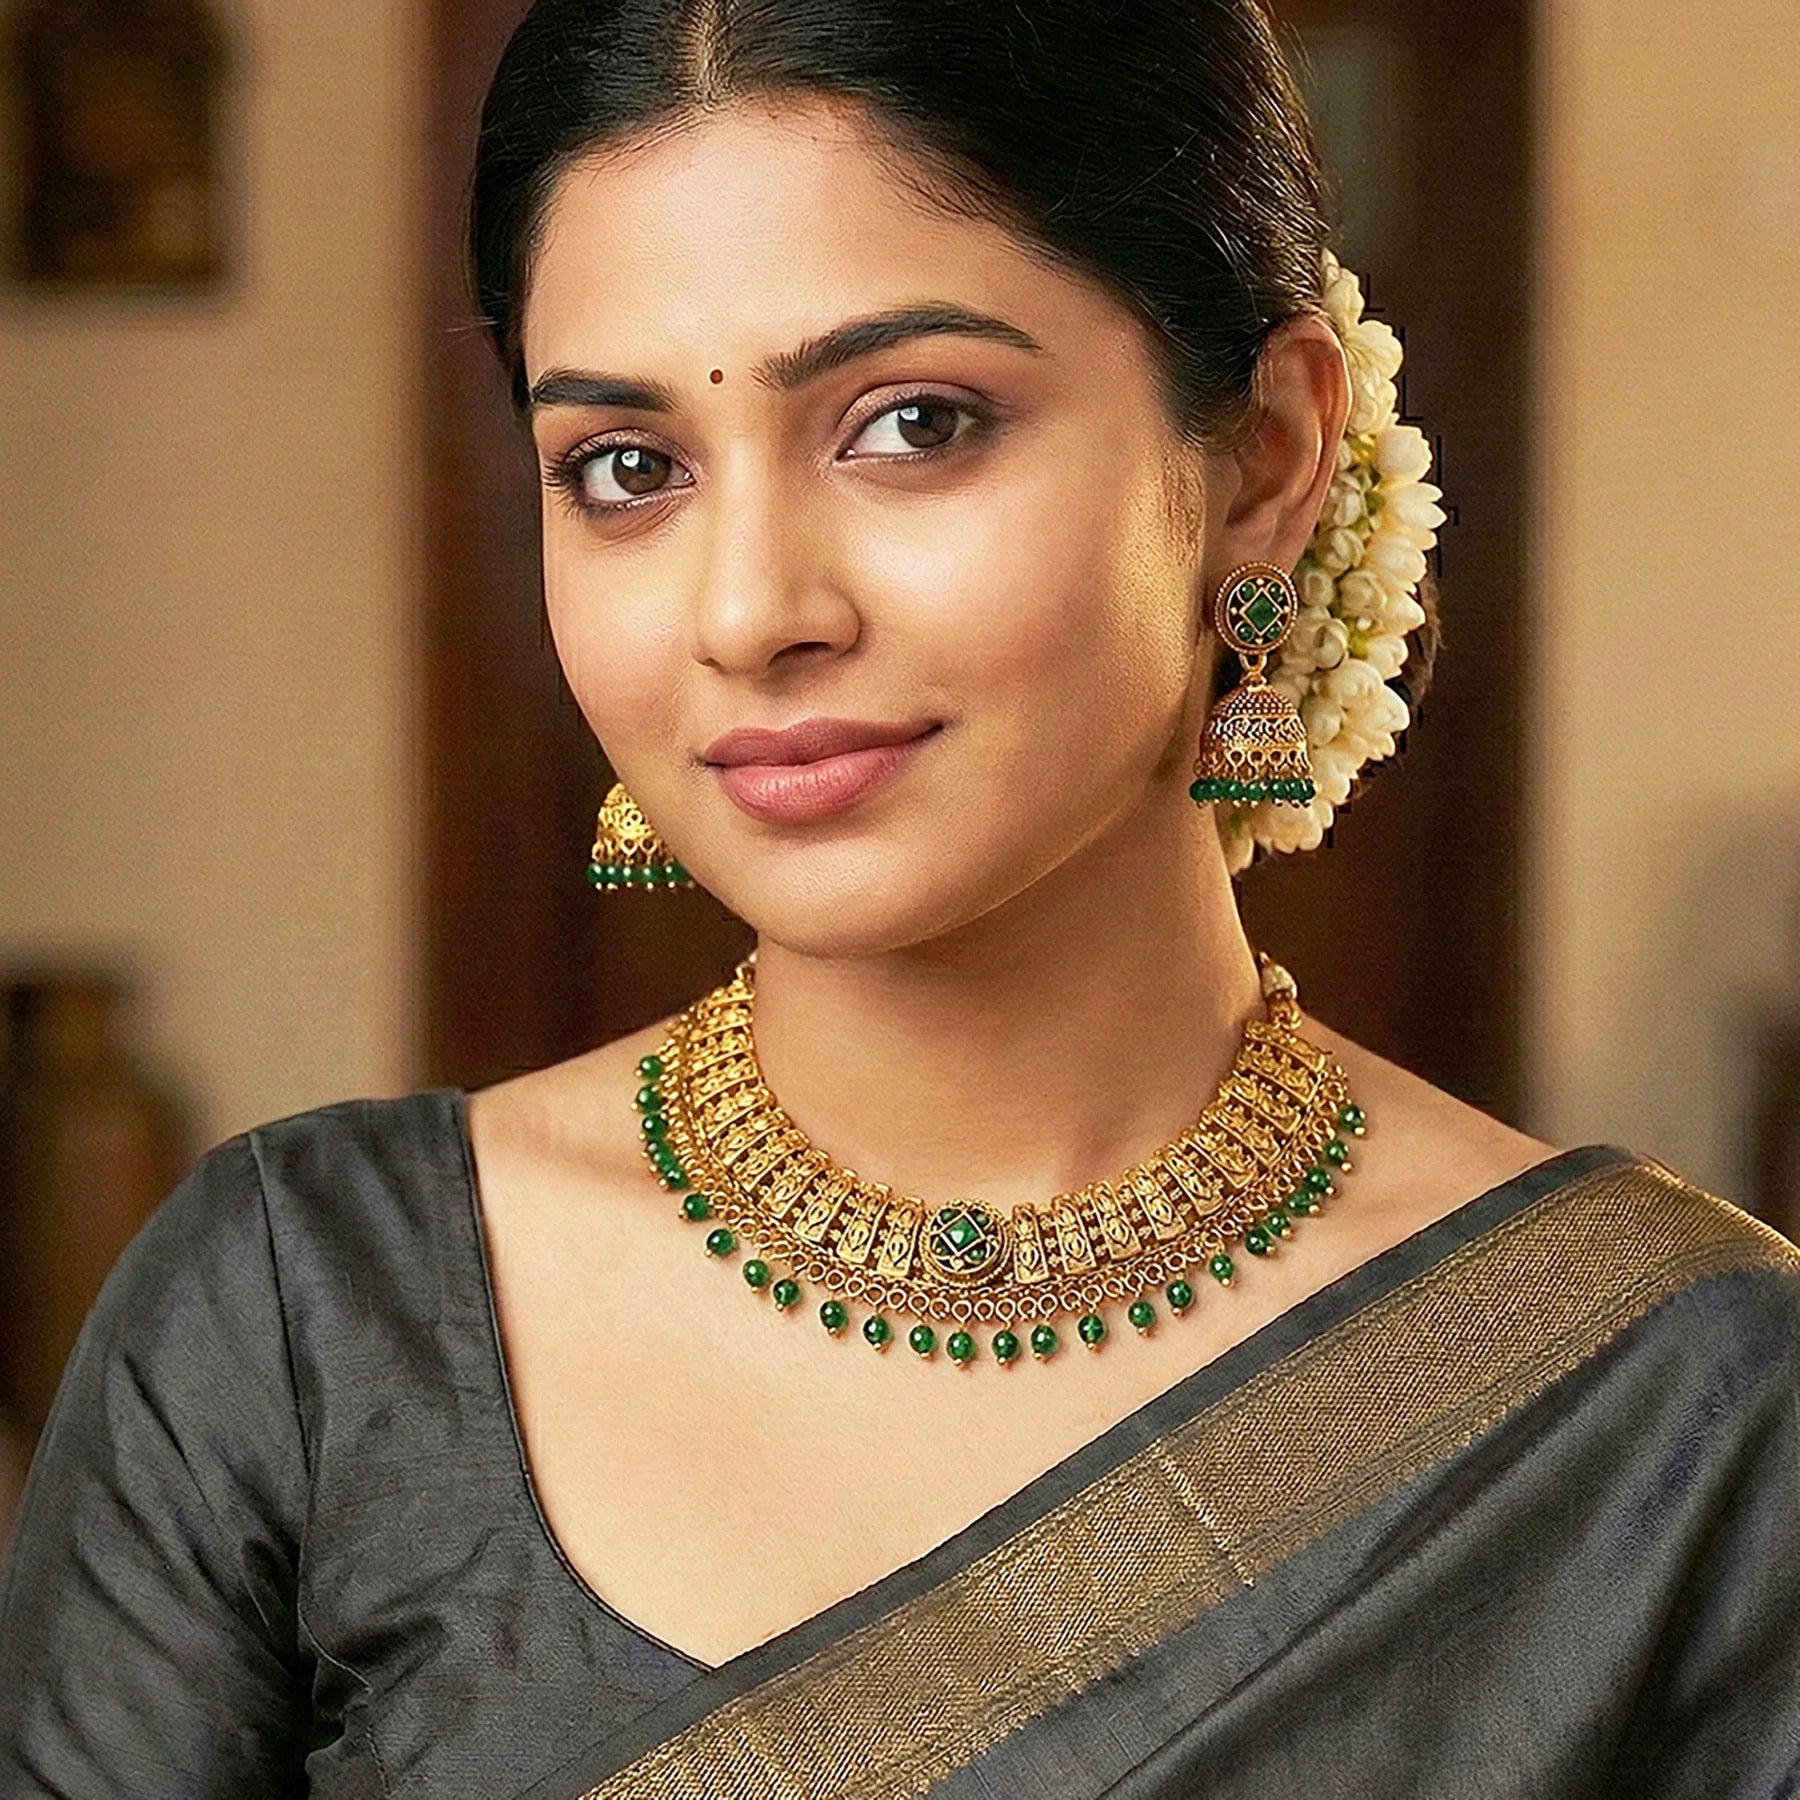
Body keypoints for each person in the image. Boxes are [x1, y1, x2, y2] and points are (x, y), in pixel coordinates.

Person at [3, 0, 1797, 1794]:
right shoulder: (305, 1319)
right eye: (626, 469)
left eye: (915, 423)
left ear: (1264, 452)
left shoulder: (1682, 1416)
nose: (748, 608)